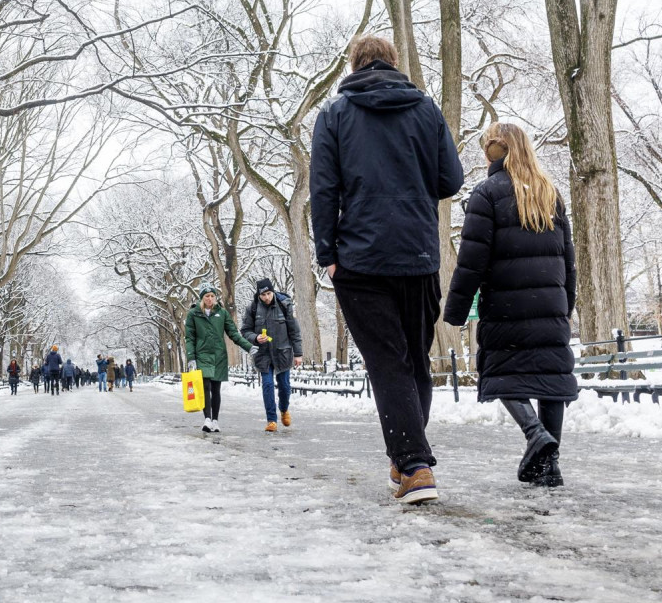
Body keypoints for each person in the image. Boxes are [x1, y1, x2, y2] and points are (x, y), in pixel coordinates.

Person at [310, 35, 463, 504]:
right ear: (394, 63)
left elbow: (323, 188)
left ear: (354, 66)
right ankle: (405, 459)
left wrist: (326, 253)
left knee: (387, 363)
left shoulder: (334, 115)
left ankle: (415, 465)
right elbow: (450, 180)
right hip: (418, 254)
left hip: (359, 257)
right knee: (413, 361)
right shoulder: (427, 110)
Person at [443, 122, 577, 488]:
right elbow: (569, 258)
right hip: (550, 304)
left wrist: (454, 310)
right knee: (550, 380)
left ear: (491, 151)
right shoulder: (550, 193)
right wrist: (567, 304)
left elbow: (472, 260)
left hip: (506, 305)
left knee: (503, 373)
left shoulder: (487, 193)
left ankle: (535, 435)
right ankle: (551, 466)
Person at [185, 284, 256, 433]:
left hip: (218, 355)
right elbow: (189, 337)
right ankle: (207, 419)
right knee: (205, 386)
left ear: (215, 297)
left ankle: (215, 420)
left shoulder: (222, 313)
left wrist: (248, 347)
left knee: (216, 388)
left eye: (212, 296)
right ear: (202, 298)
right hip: (202, 354)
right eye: (207, 296)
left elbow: (233, 334)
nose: (210, 299)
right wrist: (191, 357)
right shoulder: (194, 314)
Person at [241, 278, 304, 432]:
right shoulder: (253, 308)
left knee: (284, 387)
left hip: (282, 352)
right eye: (263, 295)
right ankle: (271, 420)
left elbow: (294, 331)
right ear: (259, 295)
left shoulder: (284, 305)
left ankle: (284, 409)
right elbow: (245, 331)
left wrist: (298, 354)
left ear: (273, 292)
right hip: (263, 354)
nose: (267, 297)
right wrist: (255, 338)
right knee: (267, 385)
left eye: (269, 293)